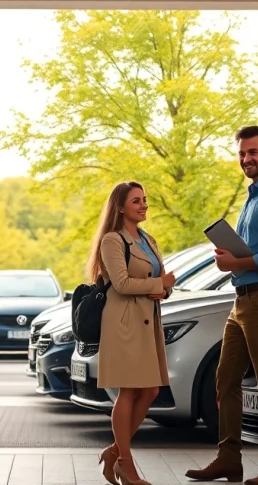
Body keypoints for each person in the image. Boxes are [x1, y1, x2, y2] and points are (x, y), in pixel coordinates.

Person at [186, 126, 258, 485]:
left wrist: (235, 263)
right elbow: (253, 250)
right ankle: (228, 460)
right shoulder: (253, 197)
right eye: (241, 154)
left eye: (252, 152)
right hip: (243, 300)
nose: (246, 159)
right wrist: (231, 255)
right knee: (225, 381)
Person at [88, 181, 177, 485]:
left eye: (145, 200)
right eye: (136, 201)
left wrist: (164, 290)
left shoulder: (149, 239)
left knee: (151, 390)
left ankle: (114, 452)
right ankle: (126, 464)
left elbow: (160, 280)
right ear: (121, 207)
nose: (143, 205)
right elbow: (123, 284)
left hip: (148, 321)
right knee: (129, 391)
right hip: (124, 323)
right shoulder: (112, 241)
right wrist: (159, 286)